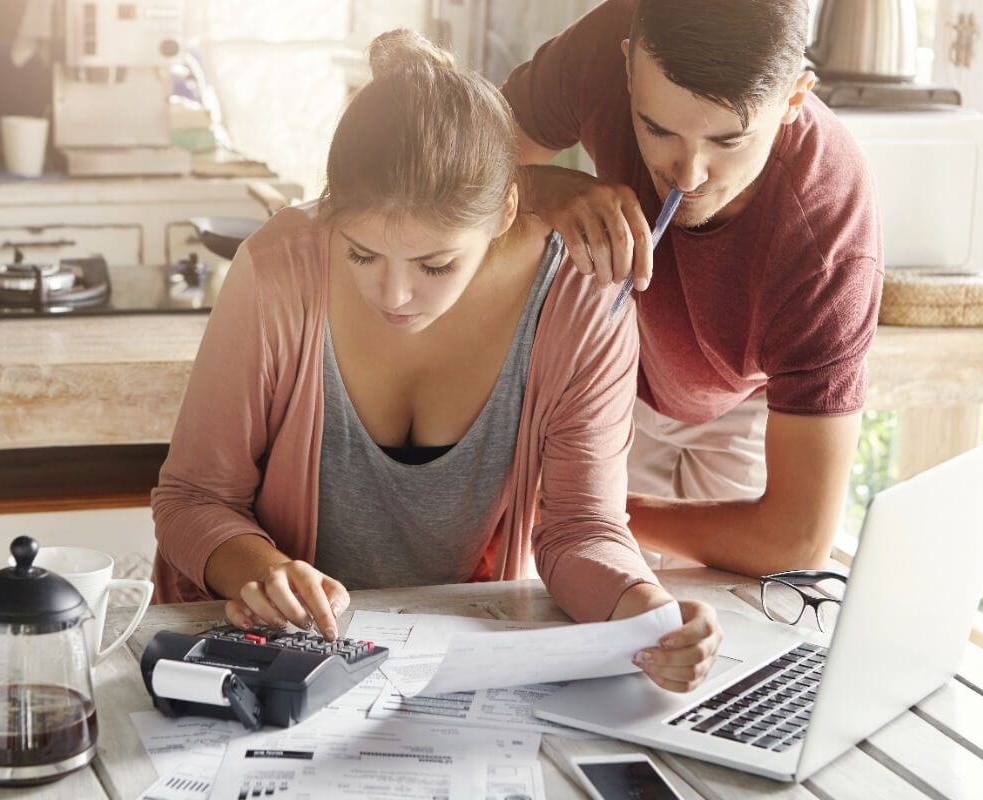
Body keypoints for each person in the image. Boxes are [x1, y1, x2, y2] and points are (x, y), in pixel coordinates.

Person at [151, 29, 721, 692]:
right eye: (362, 254)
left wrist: (645, 613)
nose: (394, 295)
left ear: (506, 211)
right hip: (265, 666)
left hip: (448, 677)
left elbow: (580, 529)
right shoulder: (281, 268)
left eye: (435, 264)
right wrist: (262, 572)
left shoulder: (580, 300)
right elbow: (192, 499)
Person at [500, 0, 884, 576]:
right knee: (562, 600)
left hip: (744, 408)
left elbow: (796, 540)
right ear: (627, 70)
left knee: (721, 624)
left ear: (794, 99)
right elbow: (451, 166)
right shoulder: (608, 43)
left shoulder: (829, 241)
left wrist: (598, 515)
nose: (688, 175)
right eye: (658, 129)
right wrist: (541, 187)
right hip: (608, 365)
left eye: (728, 141)